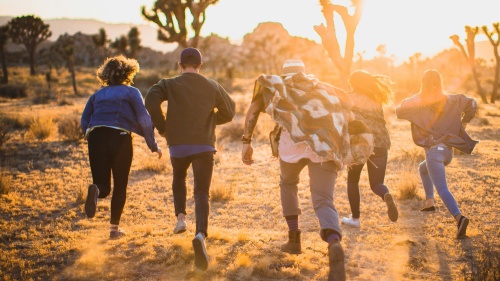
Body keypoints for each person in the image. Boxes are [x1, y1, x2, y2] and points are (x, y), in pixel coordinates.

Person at [242, 59, 354, 281]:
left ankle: (294, 240)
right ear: (305, 72)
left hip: (291, 146)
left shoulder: (279, 86)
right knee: (323, 199)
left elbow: (254, 108)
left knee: (288, 184)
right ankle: (333, 242)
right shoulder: (323, 88)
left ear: (284, 74)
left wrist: (247, 140)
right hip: (323, 145)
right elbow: (347, 103)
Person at [145, 47, 235, 271]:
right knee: (202, 192)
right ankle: (201, 235)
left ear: (180, 65)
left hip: (178, 145)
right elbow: (230, 110)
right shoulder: (212, 85)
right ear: (200, 66)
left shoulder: (168, 84)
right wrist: (212, 119)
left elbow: (150, 100)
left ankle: (181, 219)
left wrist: (163, 126)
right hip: (204, 144)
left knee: (179, 177)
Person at [81, 55, 162, 239]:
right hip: (120, 137)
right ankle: (114, 230)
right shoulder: (131, 92)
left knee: (103, 185)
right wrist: (153, 144)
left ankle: (96, 190)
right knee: (120, 185)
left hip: (96, 136)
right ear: (127, 72)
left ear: (105, 74)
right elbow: (143, 119)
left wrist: (90, 136)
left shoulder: (97, 95)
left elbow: (84, 119)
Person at [396, 69, 478, 239]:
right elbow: (473, 104)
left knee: (442, 188)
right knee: (423, 168)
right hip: (448, 152)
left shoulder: (418, 101)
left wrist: (415, 96)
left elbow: (399, 110)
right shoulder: (451, 98)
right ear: (439, 82)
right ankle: (429, 202)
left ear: (423, 84)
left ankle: (459, 218)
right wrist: (464, 123)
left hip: (434, 151)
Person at [341, 70, 398, 228]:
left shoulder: (349, 98)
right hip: (380, 143)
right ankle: (385, 194)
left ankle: (355, 219)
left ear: (354, 83)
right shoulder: (375, 100)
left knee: (353, 180)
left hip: (360, 143)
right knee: (376, 183)